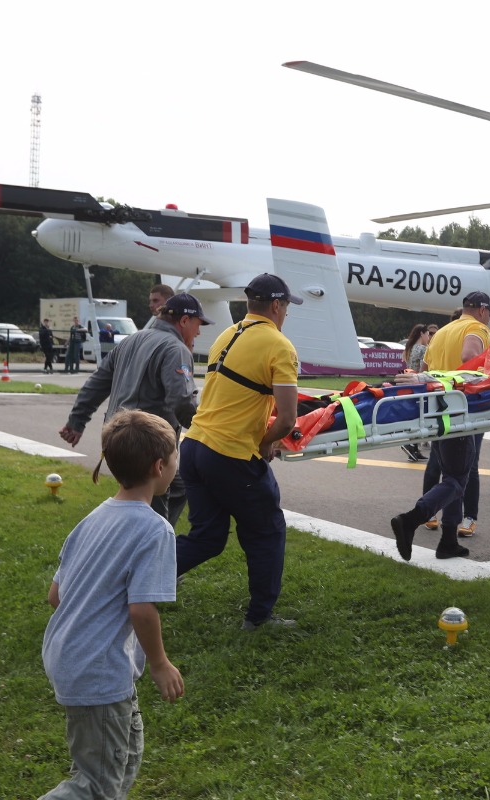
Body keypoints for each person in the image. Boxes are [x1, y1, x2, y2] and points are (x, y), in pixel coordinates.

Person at [40, 410, 185, 799]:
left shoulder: (91, 519)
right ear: (159, 467)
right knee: (95, 784)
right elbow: (141, 609)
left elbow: (56, 596)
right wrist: (159, 663)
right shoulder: (155, 529)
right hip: (96, 671)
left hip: (72, 657)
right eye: (175, 458)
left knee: (125, 756)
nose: (176, 465)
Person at [175, 273, 302, 631]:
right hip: (230, 453)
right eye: (287, 307)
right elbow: (288, 417)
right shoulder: (279, 345)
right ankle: (260, 618)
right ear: (276, 305)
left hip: (195, 446)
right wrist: (266, 443)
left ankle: (136, 580)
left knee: (207, 537)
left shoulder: (226, 335)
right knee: (266, 531)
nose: (287, 314)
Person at [58, 293, 210, 526]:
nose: (198, 333)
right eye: (198, 324)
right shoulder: (175, 348)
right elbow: (182, 402)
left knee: (181, 483)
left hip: (117, 440)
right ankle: (150, 550)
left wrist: (76, 422)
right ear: (184, 321)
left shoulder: (130, 340)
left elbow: (96, 384)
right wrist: (208, 434)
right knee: (148, 516)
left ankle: (157, 540)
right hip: (148, 446)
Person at [391, 291, 490, 561]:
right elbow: (469, 355)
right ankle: (411, 518)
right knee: (458, 479)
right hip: (460, 412)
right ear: (483, 311)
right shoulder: (477, 328)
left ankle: (448, 541)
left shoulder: (441, 333)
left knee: (454, 475)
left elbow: (424, 371)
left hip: (436, 414)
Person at [399, 323, 436, 462]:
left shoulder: (409, 348)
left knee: (415, 417)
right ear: (422, 333)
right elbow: (424, 369)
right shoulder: (422, 349)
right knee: (421, 416)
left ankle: (414, 447)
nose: (428, 337)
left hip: (409, 384)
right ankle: (412, 445)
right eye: (427, 334)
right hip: (419, 384)